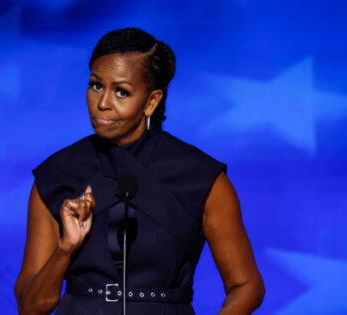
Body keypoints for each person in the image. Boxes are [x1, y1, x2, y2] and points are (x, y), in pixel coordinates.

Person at [14, 27, 265, 315]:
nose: (103, 103)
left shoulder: (202, 179)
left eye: (122, 92)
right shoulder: (56, 175)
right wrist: (65, 249)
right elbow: (31, 307)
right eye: (96, 85)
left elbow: (246, 286)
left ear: (151, 101)